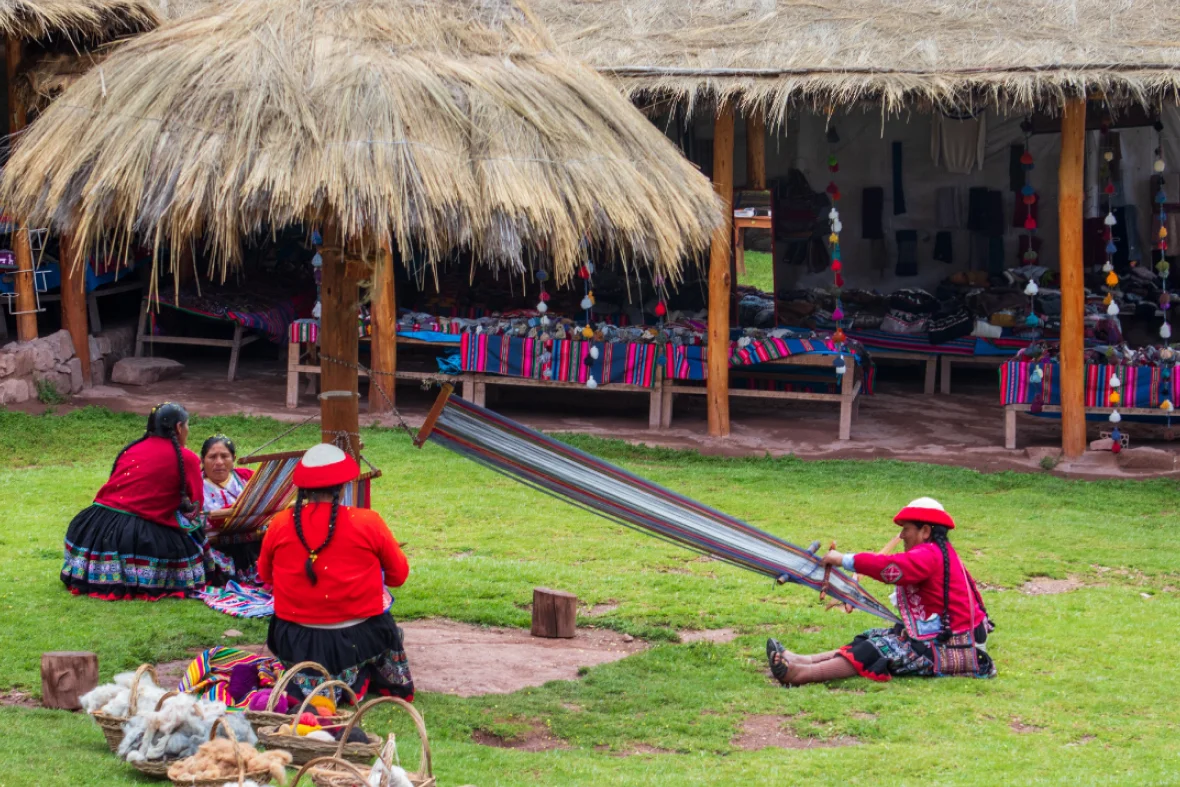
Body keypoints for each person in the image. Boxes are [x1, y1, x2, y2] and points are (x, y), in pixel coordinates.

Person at [767, 497, 995, 685]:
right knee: (871, 637)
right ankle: (801, 660)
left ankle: (800, 674)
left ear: (925, 531)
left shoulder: (930, 555)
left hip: (951, 645)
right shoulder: (939, 552)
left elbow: (891, 568)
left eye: (906, 530)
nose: (902, 536)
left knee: (877, 649)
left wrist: (843, 560)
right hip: (946, 636)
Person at [258, 443, 413, 703]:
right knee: (384, 616)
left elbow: (265, 576)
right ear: (342, 487)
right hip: (358, 635)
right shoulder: (368, 522)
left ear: (303, 489)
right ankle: (362, 675)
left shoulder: (279, 523)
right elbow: (398, 576)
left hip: (297, 637)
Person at [61, 402, 205, 600]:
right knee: (195, 537)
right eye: (187, 426)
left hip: (94, 528)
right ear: (179, 428)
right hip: (138, 535)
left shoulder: (132, 449)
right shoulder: (187, 458)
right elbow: (196, 506)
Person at [200, 435, 261, 585]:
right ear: (202, 460)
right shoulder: (196, 486)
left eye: (225, 456)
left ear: (233, 458)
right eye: (212, 457)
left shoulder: (246, 479)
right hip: (216, 545)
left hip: (250, 540)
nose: (219, 462)